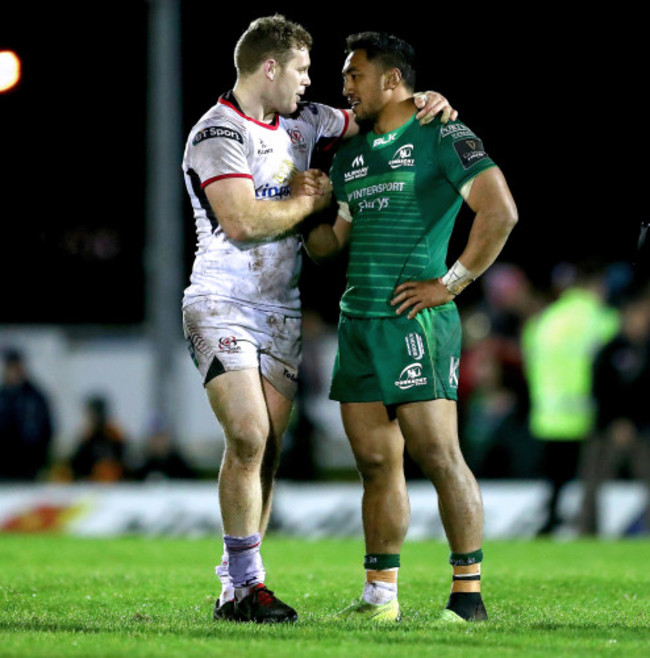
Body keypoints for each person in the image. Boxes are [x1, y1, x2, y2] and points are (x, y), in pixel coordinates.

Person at [180, 15, 455, 624]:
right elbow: (242, 221)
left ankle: (238, 587)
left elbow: (377, 112)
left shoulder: (306, 122)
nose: (311, 84)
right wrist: (309, 201)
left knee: (268, 449)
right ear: (270, 67)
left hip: (281, 309)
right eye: (302, 70)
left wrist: (424, 99)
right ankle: (248, 585)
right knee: (249, 435)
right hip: (221, 299)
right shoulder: (217, 132)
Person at [303, 31, 518, 623]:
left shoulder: (443, 134)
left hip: (416, 320)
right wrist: (310, 208)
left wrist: (449, 285)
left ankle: (468, 597)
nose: (345, 86)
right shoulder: (348, 157)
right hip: (359, 323)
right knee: (376, 464)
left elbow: (500, 213)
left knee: (439, 455)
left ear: (393, 80)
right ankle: (381, 599)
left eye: (355, 75)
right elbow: (327, 248)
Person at [521, 263, 619, 536]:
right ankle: (587, 527)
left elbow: (529, 363)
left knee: (555, 477)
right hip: (587, 412)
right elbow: (617, 365)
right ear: (594, 286)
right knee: (590, 477)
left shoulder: (544, 320)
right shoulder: (602, 318)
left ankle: (552, 519)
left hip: (547, 413)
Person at [580, 286, 650, 535]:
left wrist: (634, 421)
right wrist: (617, 422)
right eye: (640, 314)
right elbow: (600, 389)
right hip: (606, 429)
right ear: (626, 316)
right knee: (592, 484)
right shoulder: (610, 350)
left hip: (643, 429)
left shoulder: (646, 349)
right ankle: (587, 533)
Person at [0, 348, 54, 481]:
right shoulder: (2, 396)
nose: (13, 372)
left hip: (30, 465)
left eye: (16, 367)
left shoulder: (35, 397)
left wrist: (42, 459)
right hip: (4, 465)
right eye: (10, 368)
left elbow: (46, 429)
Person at [68, 395, 128, 482]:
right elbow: (77, 463)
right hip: (91, 482)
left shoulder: (114, 435)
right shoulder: (87, 436)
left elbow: (124, 459)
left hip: (115, 482)